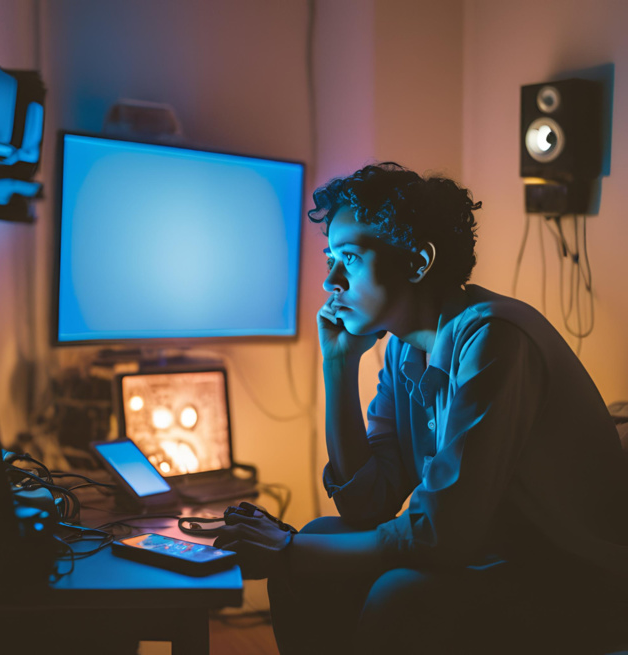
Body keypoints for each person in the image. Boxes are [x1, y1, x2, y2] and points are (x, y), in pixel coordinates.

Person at [197, 163, 628, 654]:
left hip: (572, 582)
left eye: (351, 258)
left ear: (418, 262)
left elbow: (443, 535)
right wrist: (338, 366)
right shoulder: (405, 349)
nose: (330, 280)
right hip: (492, 562)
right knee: (321, 535)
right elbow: (366, 505)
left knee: (395, 591)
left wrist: (290, 550)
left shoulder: (494, 339)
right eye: (330, 258)